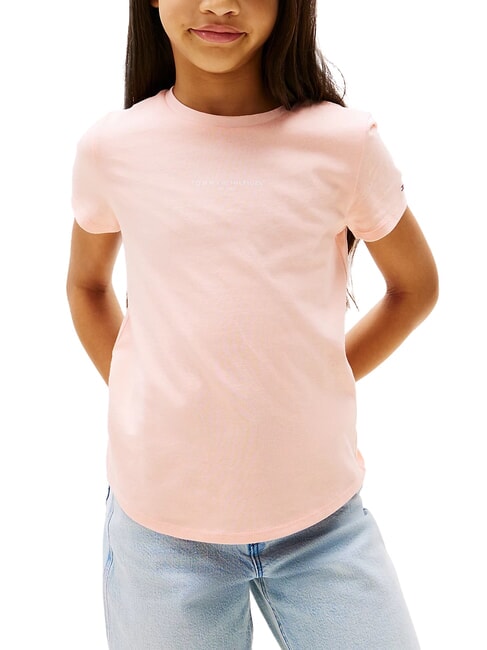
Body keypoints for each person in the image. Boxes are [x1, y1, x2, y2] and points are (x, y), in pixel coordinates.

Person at [66, 0, 439, 648]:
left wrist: (314, 379)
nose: (220, 4)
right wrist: (141, 393)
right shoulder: (113, 148)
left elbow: (415, 287)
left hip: (323, 525)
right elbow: (87, 286)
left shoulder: (343, 143)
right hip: (160, 534)